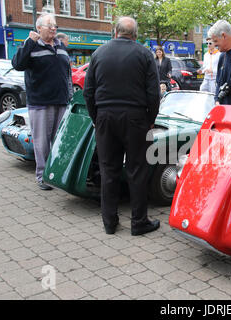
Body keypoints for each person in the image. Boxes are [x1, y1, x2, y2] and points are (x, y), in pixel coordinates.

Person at [83, 16, 161, 236]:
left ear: (115, 32)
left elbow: (88, 91)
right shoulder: (144, 54)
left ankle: (109, 222)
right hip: (136, 119)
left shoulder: (98, 54)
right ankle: (139, 222)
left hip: (105, 117)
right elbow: (154, 93)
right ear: (135, 35)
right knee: (137, 170)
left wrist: (96, 117)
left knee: (109, 171)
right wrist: (151, 119)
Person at [12, 13, 71, 191]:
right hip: (41, 102)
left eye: (55, 26)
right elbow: (18, 64)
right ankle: (43, 176)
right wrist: (29, 42)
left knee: (59, 141)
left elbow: (66, 74)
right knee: (42, 142)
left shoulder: (61, 47)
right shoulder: (31, 46)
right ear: (39, 28)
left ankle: (56, 174)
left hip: (61, 101)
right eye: (49, 25)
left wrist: (69, 96)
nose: (54, 28)